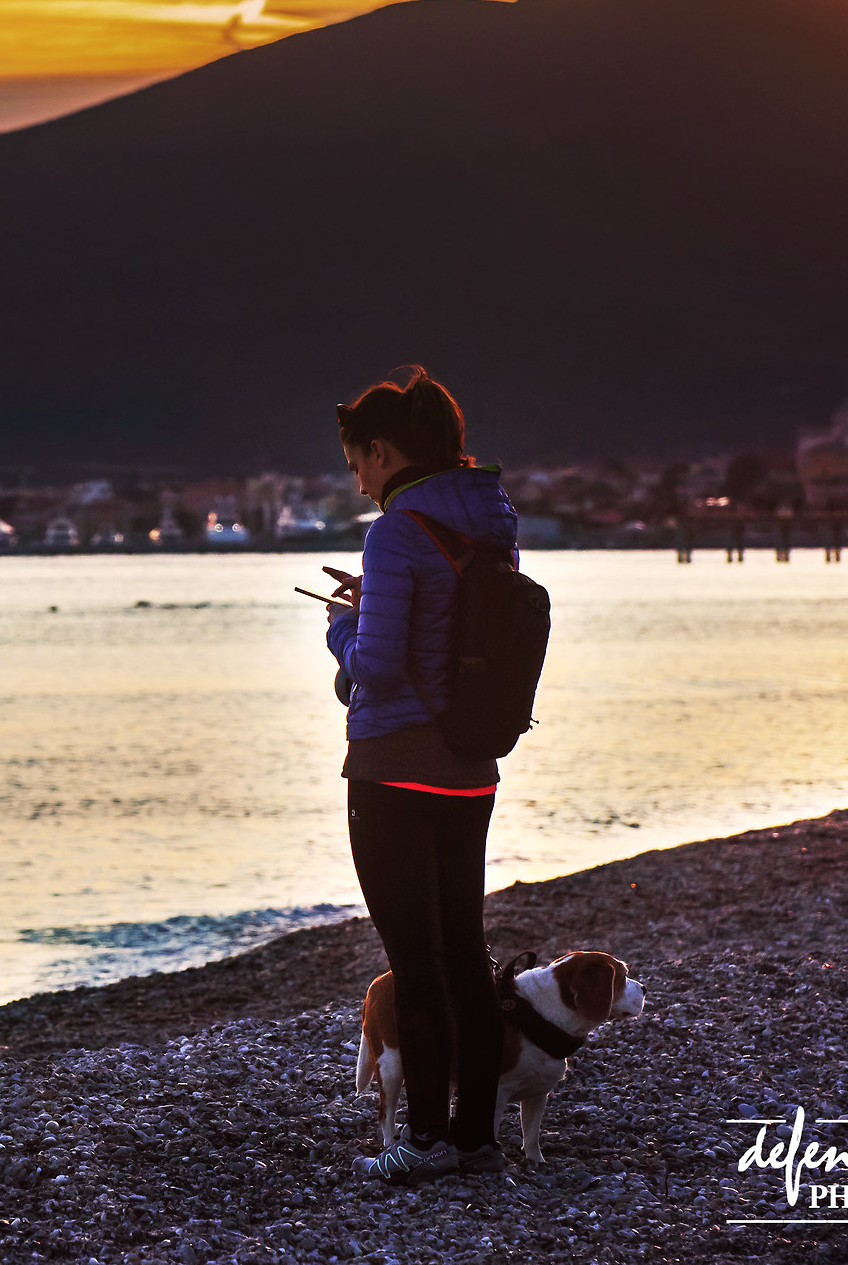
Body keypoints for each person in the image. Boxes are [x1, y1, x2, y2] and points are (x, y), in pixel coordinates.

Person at [324, 365, 516, 1181]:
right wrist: (384, 599)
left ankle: (427, 1143)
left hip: (394, 766)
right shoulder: (491, 517)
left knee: (415, 958)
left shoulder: (395, 530)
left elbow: (380, 665)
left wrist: (343, 628)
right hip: (470, 766)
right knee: (464, 952)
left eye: (356, 462)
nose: (358, 481)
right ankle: (475, 1137)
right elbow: (453, 626)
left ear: (380, 449)